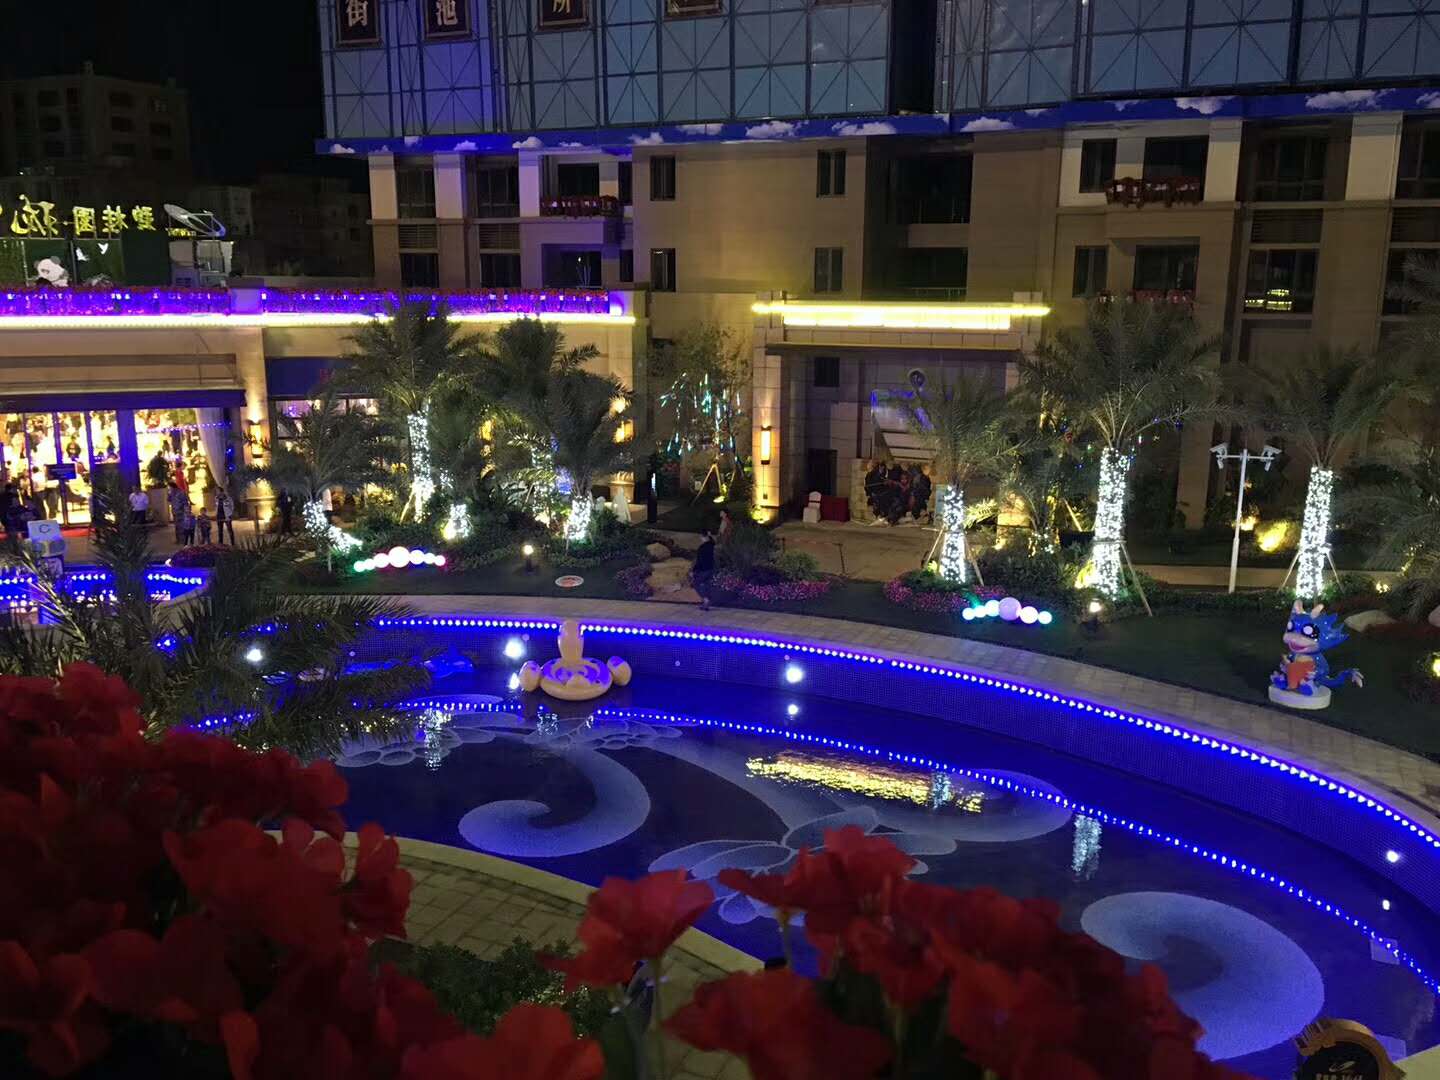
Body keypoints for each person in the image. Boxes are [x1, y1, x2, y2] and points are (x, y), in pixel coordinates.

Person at [691, 529, 717, 612]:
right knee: (706, 584)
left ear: (702, 537)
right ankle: (706, 603)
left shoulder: (702, 548)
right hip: (711, 568)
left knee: (696, 583)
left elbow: (699, 561)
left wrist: (694, 570)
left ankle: (706, 599)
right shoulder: (711, 545)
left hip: (703, 569)